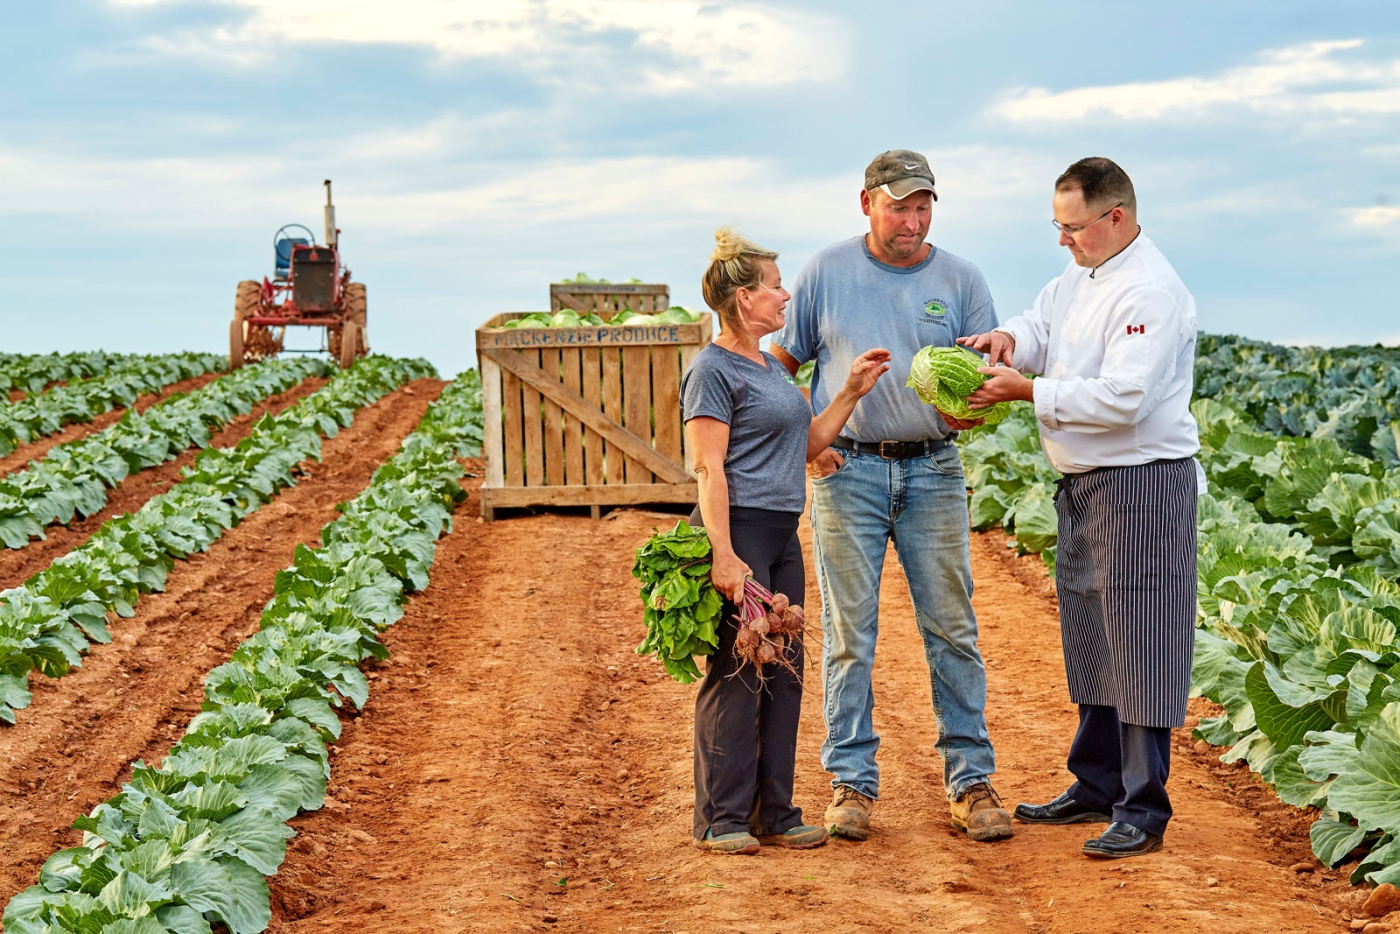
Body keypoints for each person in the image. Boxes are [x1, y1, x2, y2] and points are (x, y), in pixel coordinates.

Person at [959, 157, 1201, 859]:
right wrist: (1010, 341)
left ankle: (1143, 808)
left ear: (1115, 217)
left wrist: (1025, 392)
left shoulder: (1151, 292)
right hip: (1087, 485)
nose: (1063, 240)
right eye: (1058, 227)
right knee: (1094, 635)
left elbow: (1125, 399)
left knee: (1144, 638)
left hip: (1142, 483)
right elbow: (1043, 324)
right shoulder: (1082, 274)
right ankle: (1094, 784)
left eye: (1074, 228)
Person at [769, 150, 1012, 844]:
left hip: (934, 469)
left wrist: (976, 407)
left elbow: (987, 376)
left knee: (952, 630)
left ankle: (971, 781)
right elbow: (778, 371)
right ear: (866, 202)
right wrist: (807, 443)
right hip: (851, 476)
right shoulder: (826, 274)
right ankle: (850, 781)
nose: (913, 220)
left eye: (923, 206)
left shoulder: (960, 278)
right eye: (900, 205)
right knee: (851, 635)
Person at [683, 227, 891, 855]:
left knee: (786, 670)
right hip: (740, 530)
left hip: (779, 532)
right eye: (775, 286)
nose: (786, 294)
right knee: (739, 668)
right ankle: (722, 818)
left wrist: (851, 391)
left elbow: (802, 448)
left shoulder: (767, 368)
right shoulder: (712, 369)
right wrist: (723, 552)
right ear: (745, 298)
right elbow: (708, 468)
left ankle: (775, 810)